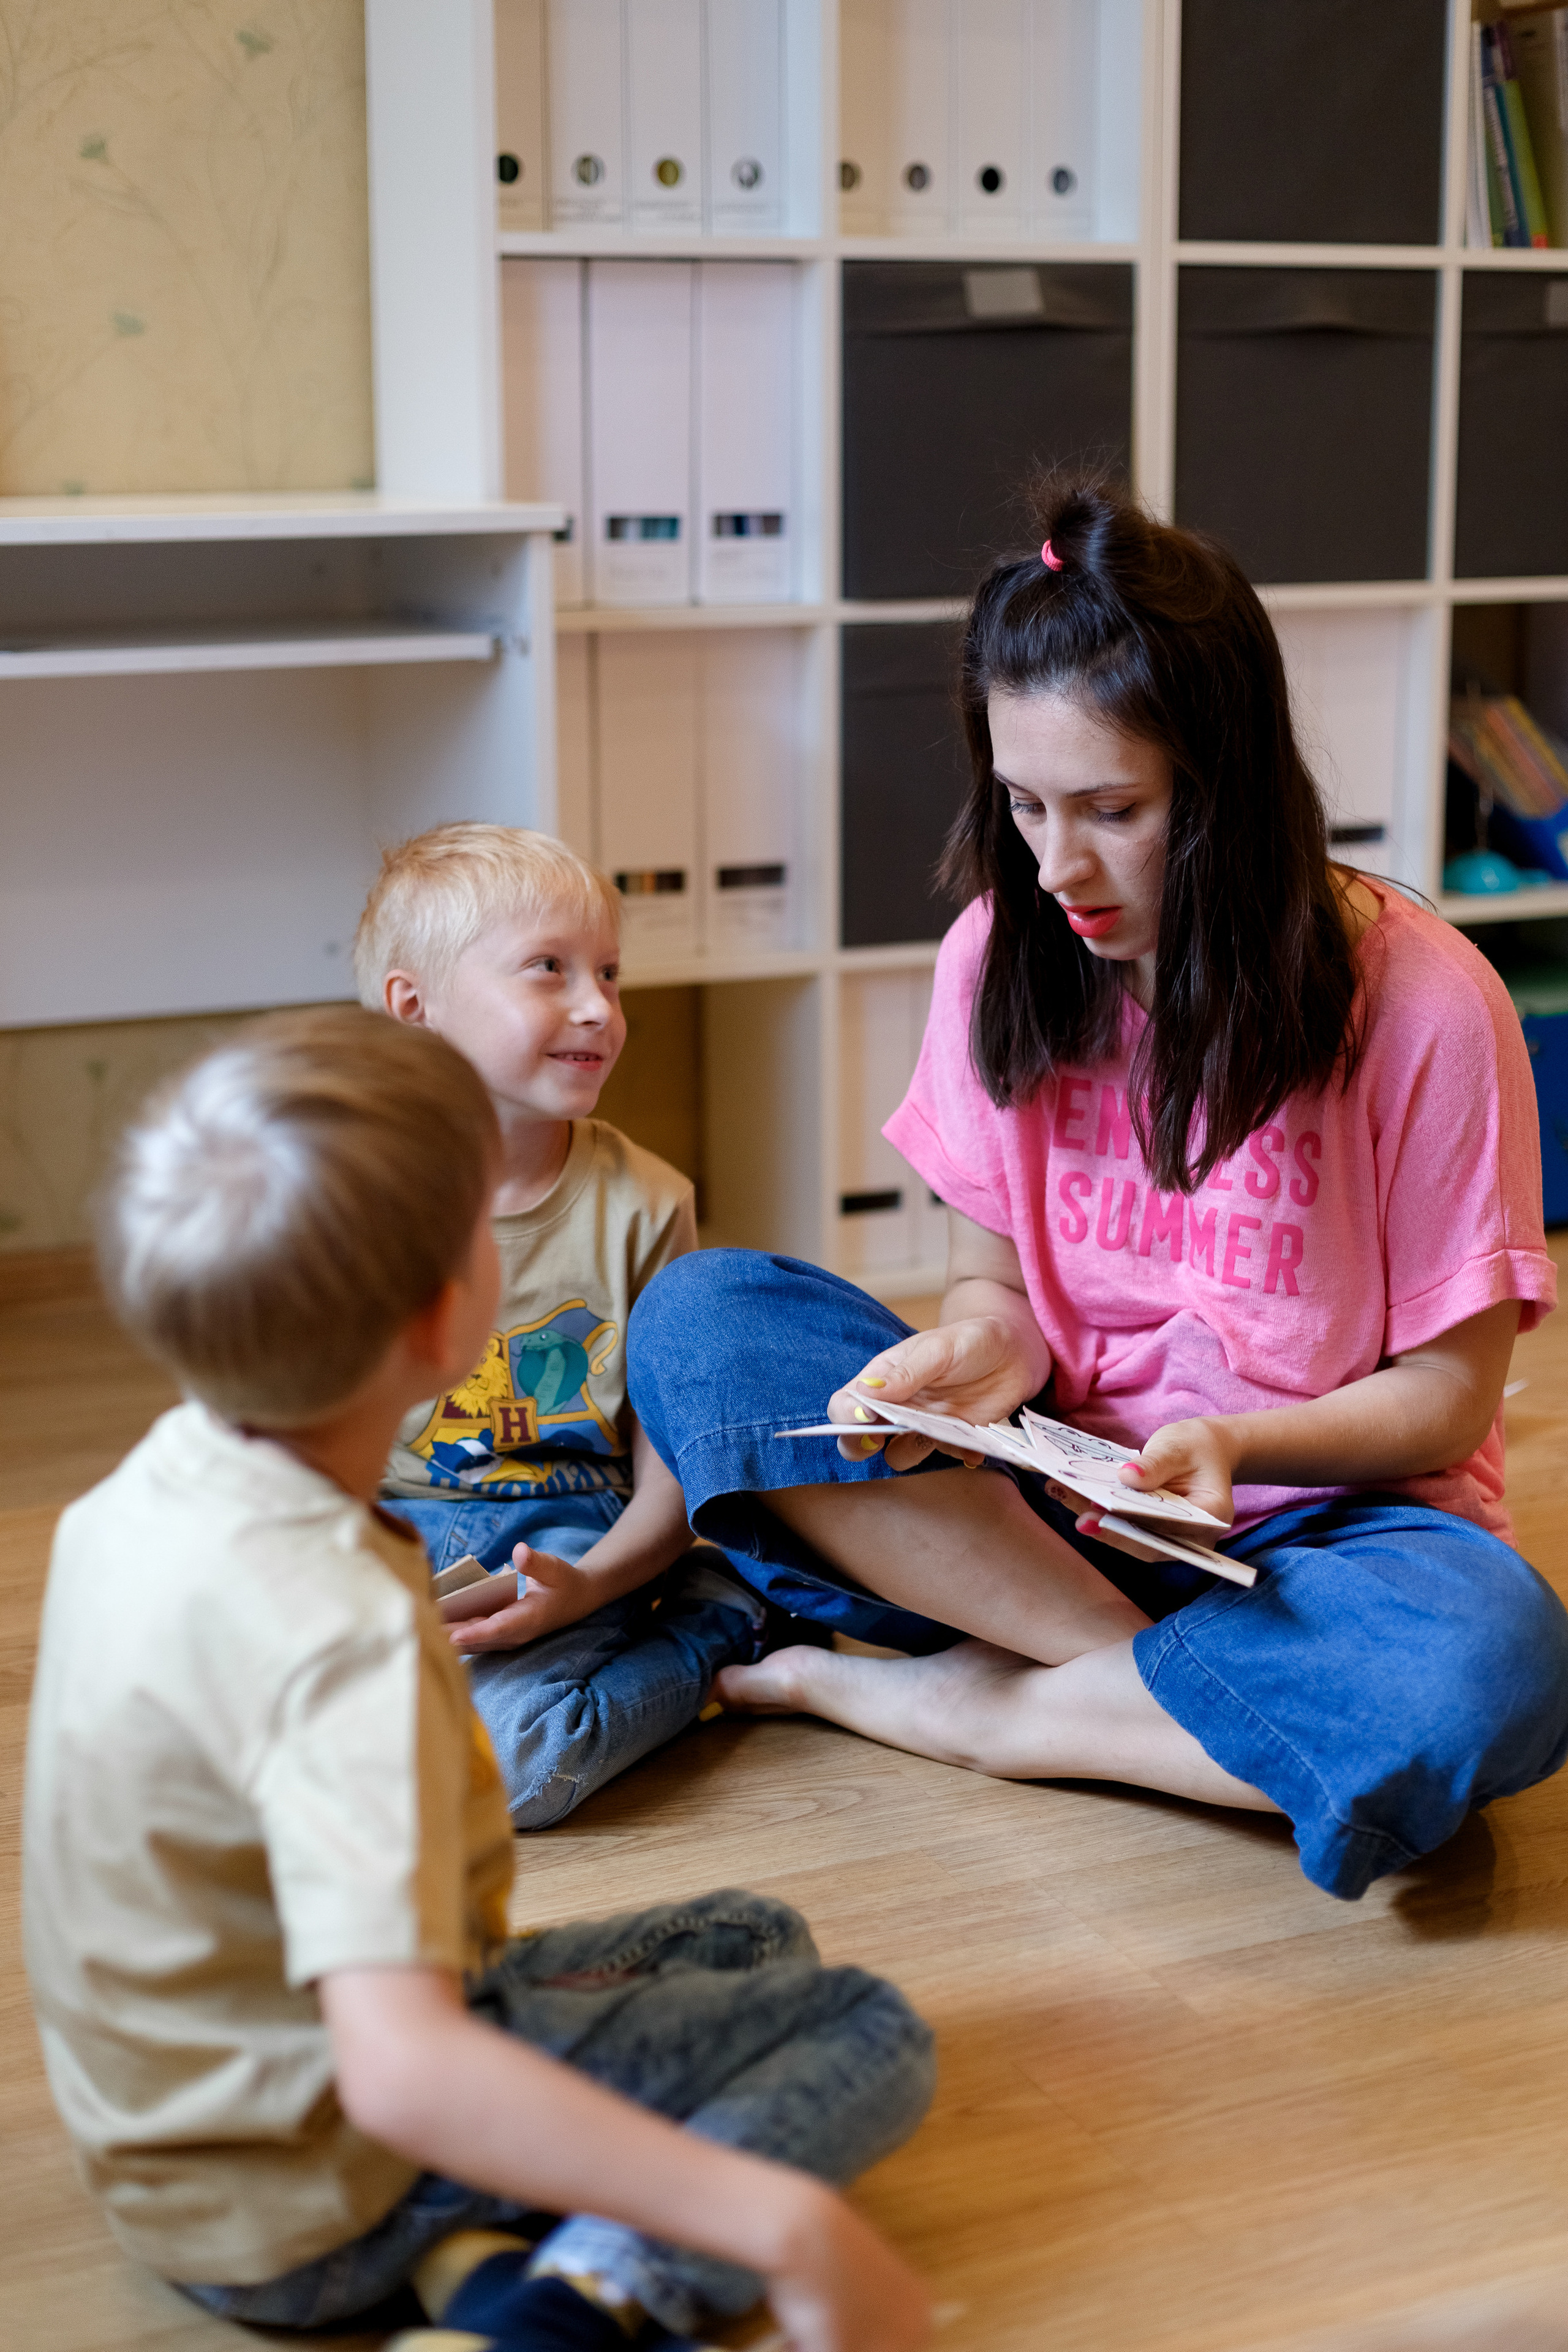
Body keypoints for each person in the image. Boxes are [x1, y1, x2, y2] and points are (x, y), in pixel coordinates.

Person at [626, 478, 1568, 1903]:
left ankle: (984, 1709)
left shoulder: (1424, 1001)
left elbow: (1444, 1399)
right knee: (701, 1319)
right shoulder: (998, 951)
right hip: (1047, 1513)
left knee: (1492, 1671)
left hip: (1323, 1532)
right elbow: (994, 1286)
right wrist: (972, 1354)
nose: (1054, 865)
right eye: (1021, 804)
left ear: (1226, 788)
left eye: (1111, 810)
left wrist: (1235, 1442)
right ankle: (1150, 1687)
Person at [22, 1008, 935, 2352]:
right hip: (313, 2194)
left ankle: (471, 2256)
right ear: (450, 1315)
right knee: (866, 2029)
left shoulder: (136, 1497)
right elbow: (403, 2072)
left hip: (179, 2155)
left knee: (749, 1940)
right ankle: (574, 2305)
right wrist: (782, 2225)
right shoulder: (337, 1636)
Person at [356, 823, 783, 1827]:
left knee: (520, 1764)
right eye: (549, 969)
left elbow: (670, 1477)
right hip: (405, 1530)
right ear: (415, 1009)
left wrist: (586, 1590)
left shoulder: (646, 1204)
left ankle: (723, 1622)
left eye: (609, 974)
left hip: (576, 1529)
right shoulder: (351, 1195)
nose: (598, 1007)